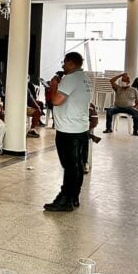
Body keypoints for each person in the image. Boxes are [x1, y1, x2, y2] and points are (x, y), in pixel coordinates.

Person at [44, 52, 92, 212]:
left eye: (64, 62)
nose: (63, 65)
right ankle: (74, 196)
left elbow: (57, 101)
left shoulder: (70, 79)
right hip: (80, 127)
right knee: (77, 165)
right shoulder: (85, 78)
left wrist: (53, 87)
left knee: (70, 166)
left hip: (68, 130)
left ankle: (65, 200)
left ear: (71, 63)